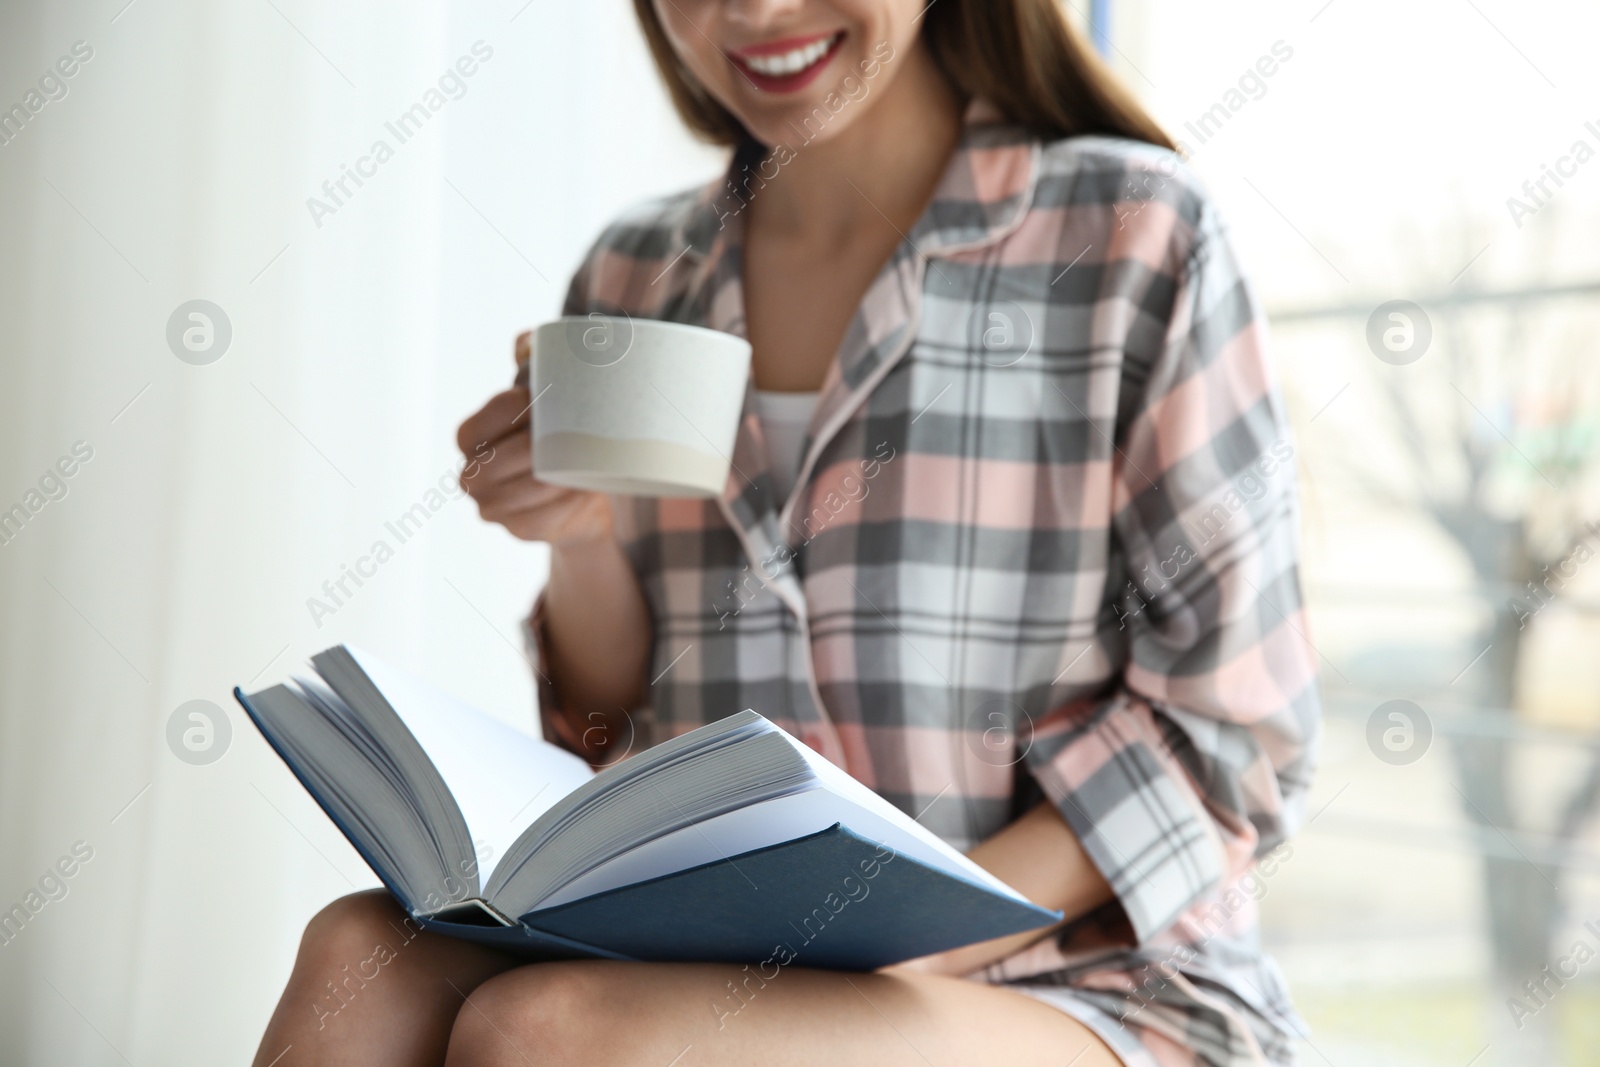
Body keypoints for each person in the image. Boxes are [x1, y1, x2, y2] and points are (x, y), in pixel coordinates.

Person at [252, 1, 1321, 1064]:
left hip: (1090, 981)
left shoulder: (1135, 230)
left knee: (551, 1033)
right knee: (359, 955)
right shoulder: (636, 275)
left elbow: (1229, 737)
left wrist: (890, 961)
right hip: (710, 948)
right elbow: (604, 720)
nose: (756, 11)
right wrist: (581, 535)